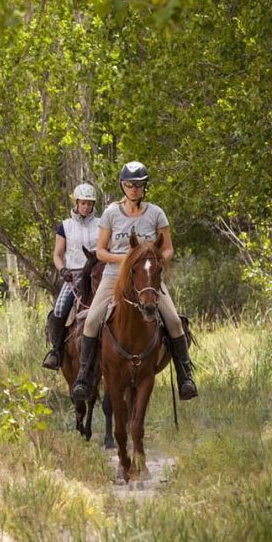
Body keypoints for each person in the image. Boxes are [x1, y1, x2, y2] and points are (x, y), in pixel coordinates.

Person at [70, 162, 198, 402]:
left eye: (138, 185)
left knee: (173, 321)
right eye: (130, 185)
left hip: (147, 278)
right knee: (91, 320)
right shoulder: (110, 213)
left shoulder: (156, 213)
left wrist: (154, 261)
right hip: (113, 276)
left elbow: (168, 249)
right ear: (123, 186)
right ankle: (84, 379)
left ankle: (186, 377)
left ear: (144, 187)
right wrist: (128, 260)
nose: (134, 189)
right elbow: (100, 251)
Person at [41, 183, 100, 369]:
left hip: (97, 273)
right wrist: (62, 270)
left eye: (90, 204)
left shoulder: (101, 224)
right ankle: (56, 350)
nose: (86, 207)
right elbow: (57, 255)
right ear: (76, 202)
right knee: (59, 310)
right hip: (74, 275)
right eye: (83, 203)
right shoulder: (65, 226)